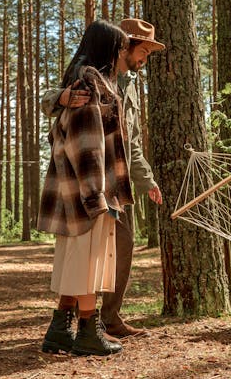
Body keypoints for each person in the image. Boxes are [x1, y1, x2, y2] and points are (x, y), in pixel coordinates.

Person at [41, 18, 164, 340]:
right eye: (142, 51)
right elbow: (83, 136)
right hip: (93, 181)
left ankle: (94, 320)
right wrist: (60, 97)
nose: (144, 59)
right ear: (123, 47)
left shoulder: (129, 85)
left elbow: (130, 142)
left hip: (118, 180)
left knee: (116, 249)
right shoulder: (92, 76)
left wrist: (145, 180)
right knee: (85, 250)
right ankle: (84, 324)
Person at [38, 20, 131, 356]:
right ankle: (89, 332)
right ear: (109, 48)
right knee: (86, 260)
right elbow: (87, 143)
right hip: (88, 188)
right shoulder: (91, 83)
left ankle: (59, 330)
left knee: (75, 258)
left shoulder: (84, 80)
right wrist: (96, 195)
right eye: (120, 47)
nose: (123, 52)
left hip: (74, 187)